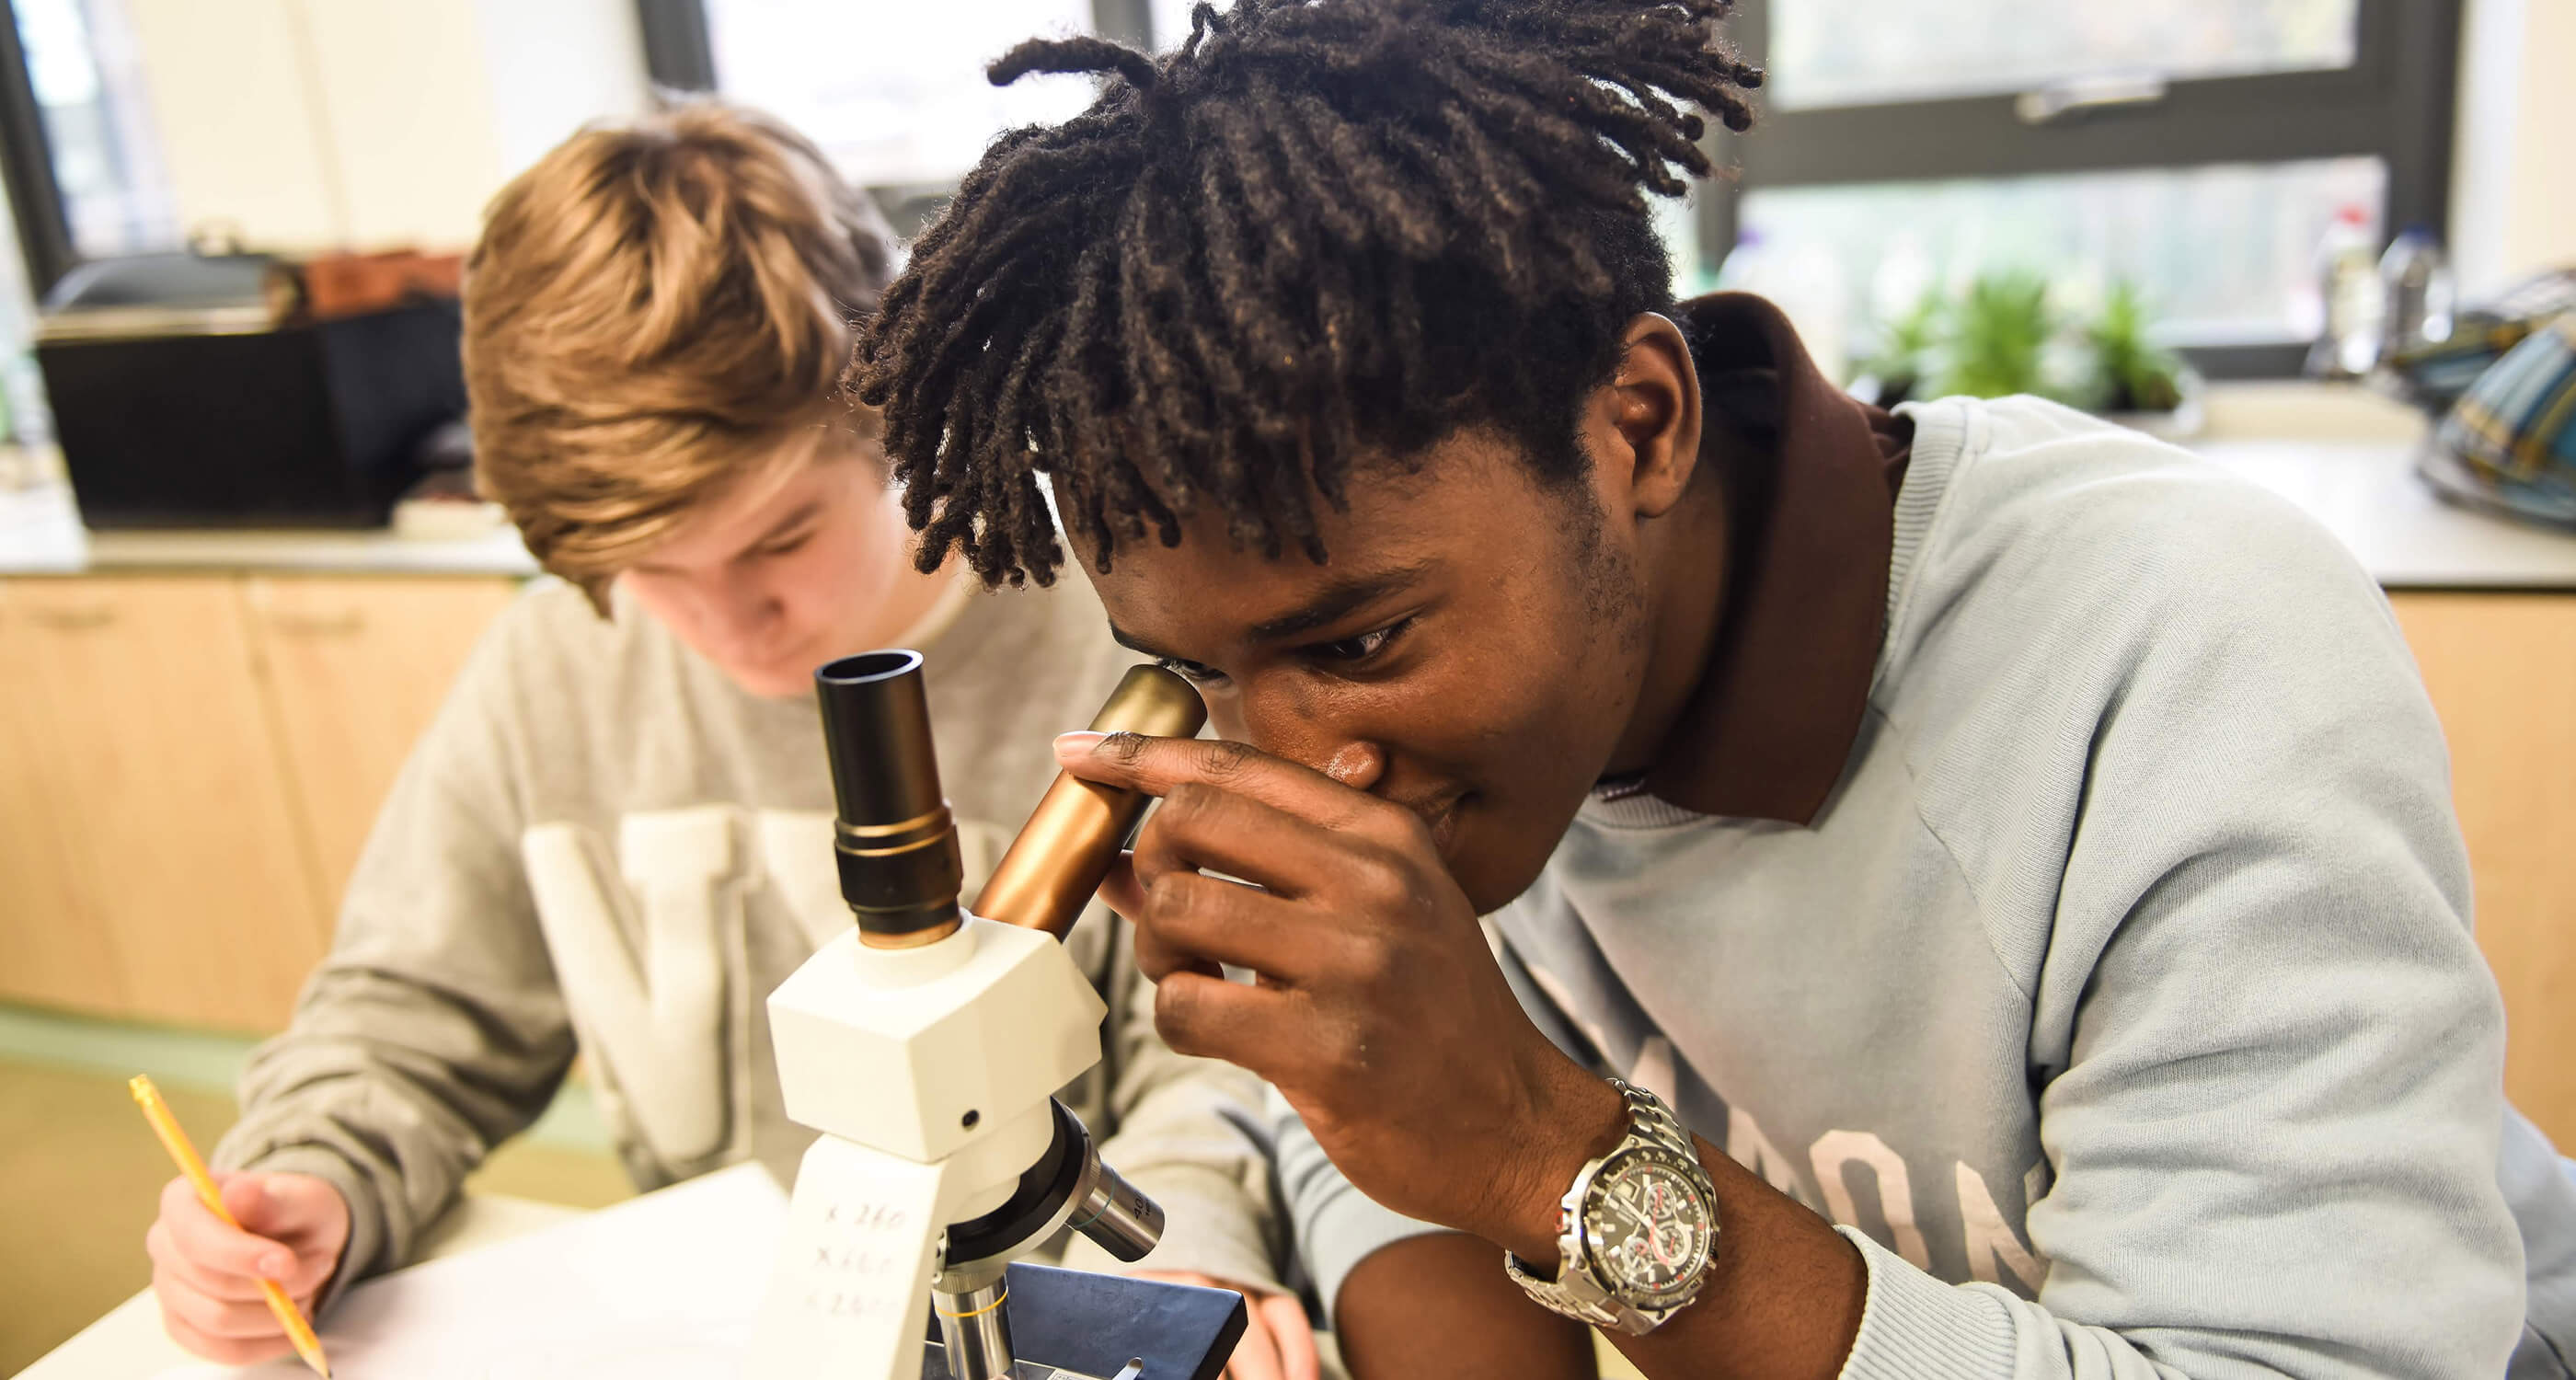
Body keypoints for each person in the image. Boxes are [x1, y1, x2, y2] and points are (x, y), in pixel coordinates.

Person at [845, 2, 2576, 1377]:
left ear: (1641, 424)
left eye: (1358, 644)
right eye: (1202, 677)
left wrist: (1545, 1151)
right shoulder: (1489, 719)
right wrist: (1418, 1128)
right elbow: (1384, 1162)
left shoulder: (2185, 649)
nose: (1306, 764)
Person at [140, 102, 1319, 1380]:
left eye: (778, 539)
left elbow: (1227, 1051)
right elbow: (406, 1016)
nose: (730, 626)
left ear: (895, 423)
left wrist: (1190, 1269)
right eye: (653, 569)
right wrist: (311, 1179)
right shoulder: (555, 673)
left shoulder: (1122, 640)